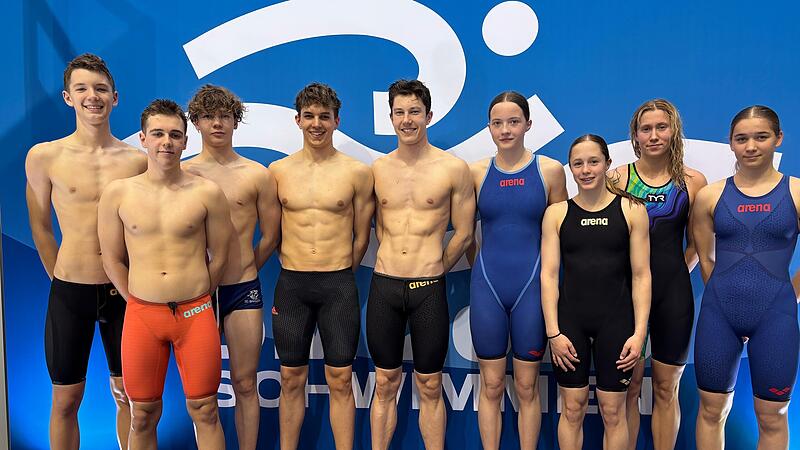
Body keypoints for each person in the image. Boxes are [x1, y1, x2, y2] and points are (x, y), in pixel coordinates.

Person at [25, 53, 146, 450]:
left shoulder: (137, 161)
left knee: (131, 395)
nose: (91, 96)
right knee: (65, 400)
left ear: (115, 97)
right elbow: (41, 226)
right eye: (82, 89)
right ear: (67, 97)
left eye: (99, 89)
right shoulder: (45, 157)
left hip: (124, 292)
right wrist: (61, 277)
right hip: (70, 290)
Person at [98, 99, 232, 449]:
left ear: (186, 141)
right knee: (142, 413)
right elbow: (112, 260)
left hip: (195, 313)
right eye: (158, 134)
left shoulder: (207, 193)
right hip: (142, 315)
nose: (166, 142)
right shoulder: (118, 194)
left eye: (175, 135)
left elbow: (219, 257)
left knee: (205, 409)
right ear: (142, 138)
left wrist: (198, 294)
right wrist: (140, 302)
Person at [368, 79, 475, 450]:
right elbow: (377, 228)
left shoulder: (453, 169)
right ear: (391, 118)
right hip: (384, 286)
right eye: (399, 112)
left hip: (428, 289)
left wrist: (433, 269)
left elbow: (463, 233)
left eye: (414, 111)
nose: (407, 120)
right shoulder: (378, 169)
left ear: (428, 116)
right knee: (384, 382)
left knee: (430, 384)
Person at [268, 83, 374, 450]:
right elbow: (271, 232)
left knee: (341, 379)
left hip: (338, 285)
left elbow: (362, 236)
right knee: (291, 378)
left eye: (324, 117)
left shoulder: (357, 173)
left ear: (337, 121)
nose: (317, 124)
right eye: (309, 116)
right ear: (297, 120)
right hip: (292, 285)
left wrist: (341, 269)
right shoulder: (278, 171)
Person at [692, 105, 799, 450]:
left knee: (772, 416)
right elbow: (705, 257)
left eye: (761, 137)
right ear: (732, 144)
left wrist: (786, 296)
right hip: (718, 316)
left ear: (778, 139)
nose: (751, 146)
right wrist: (725, 298)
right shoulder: (710, 196)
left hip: (777, 318)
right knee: (712, 411)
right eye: (742, 139)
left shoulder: (796, 193)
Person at [466, 91, 567, 450]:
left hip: (532, 288)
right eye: (497, 123)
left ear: (528, 124)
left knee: (526, 386)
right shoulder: (476, 172)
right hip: (488, 285)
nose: (505, 130)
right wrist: (479, 270)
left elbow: (558, 235)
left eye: (513, 122)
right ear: (489, 128)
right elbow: (466, 235)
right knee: (490, 385)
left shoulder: (550, 170)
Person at [183, 84, 280, 449]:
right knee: (202, 393)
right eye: (208, 116)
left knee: (244, 382)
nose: (217, 124)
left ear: (235, 121)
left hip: (243, 288)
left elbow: (270, 236)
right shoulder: (184, 174)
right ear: (196, 123)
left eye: (224, 116)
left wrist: (245, 270)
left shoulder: (257, 175)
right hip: (197, 292)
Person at [541, 134, 651, 450]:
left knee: (613, 410)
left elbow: (642, 276)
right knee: (572, 407)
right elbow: (548, 276)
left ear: (606, 164)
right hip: (569, 324)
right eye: (578, 163)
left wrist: (639, 333)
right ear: (571, 168)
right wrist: (553, 333)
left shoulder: (631, 210)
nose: (586, 170)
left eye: (593, 162)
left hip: (617, 322)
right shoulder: (557, 214)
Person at [609, 99, 707, 450]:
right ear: (635, 135)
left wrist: (673, 277)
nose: (654, 136)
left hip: (672, 293)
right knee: (629, 388)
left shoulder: (693, 182)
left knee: (667, 388)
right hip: (624, 296)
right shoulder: (617, 179)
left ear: (673, 131)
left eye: (661, 128)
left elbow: (696, 245)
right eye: (646, 129)